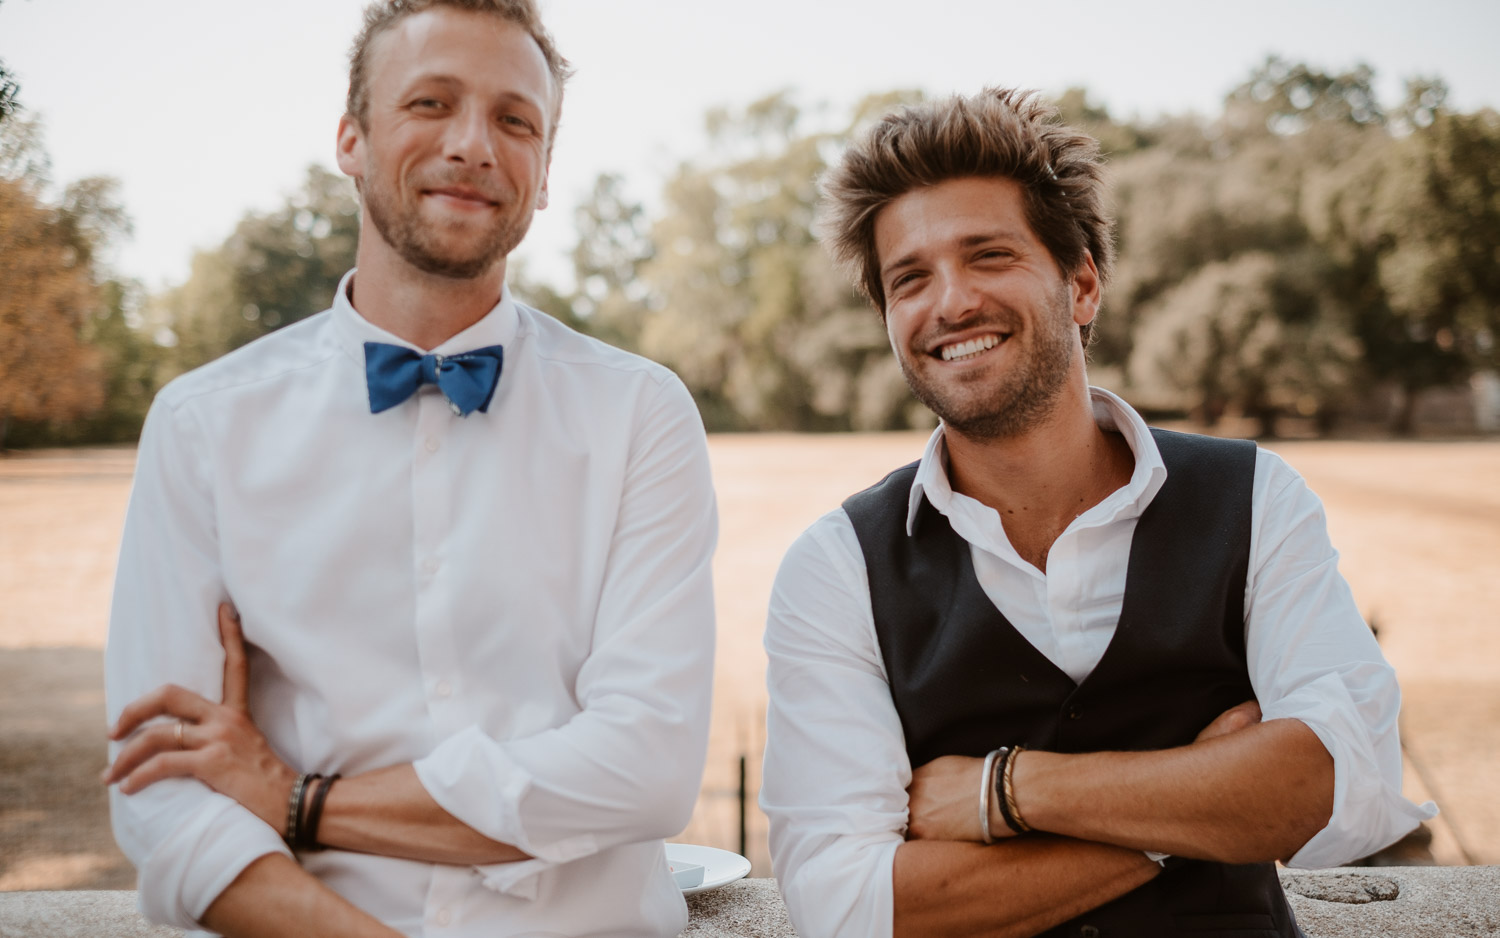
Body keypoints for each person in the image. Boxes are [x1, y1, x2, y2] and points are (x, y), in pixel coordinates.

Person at [101, 2, 717, 936]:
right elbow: (161, 798)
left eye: (516, 120)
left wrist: (300, 800)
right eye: (431, 103)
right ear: (350, 139)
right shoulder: (202, 425)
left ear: (544, 174)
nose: (473, 145)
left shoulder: (640, 412)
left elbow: (648, 766)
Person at [759, 88, 1435, 938]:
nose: (951, 301)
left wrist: (1005, 792)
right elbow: (850, 905)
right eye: (910, 279)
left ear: (1081, 284)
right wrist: (1197, 803)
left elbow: (1348, 783)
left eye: (989, 255)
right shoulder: (836, 566)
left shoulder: (1256, 498)